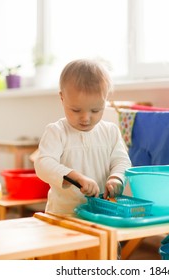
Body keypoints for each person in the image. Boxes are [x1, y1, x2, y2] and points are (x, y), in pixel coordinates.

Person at [34, 59, 131, 215]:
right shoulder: (57, 131)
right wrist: (75, 177)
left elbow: (121, 161)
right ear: (62, 98)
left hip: (102, 213)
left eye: (95, 110)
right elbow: (43, 164)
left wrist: (116, 178)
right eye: (76, 110)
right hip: (64, 216)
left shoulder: (111, 131)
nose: (86, 118)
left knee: (108, 240)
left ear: (105, 101)